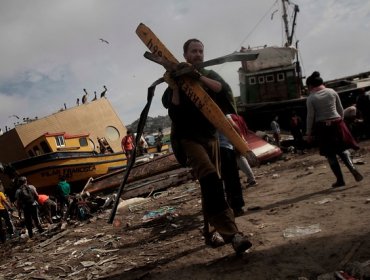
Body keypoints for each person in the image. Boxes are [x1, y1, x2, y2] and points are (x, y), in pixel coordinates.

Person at [162, 38, 252, 254]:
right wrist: (175, 85)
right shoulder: (176, 79)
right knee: (211, 177)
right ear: (185, 55)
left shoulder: (209, 76)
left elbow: (223, 91)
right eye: (194, 51)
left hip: (210, 137)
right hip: (188, 139)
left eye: (201, 51)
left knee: (210, 185)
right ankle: (233, 235)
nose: (198, 55)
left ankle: (210, 232)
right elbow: (173, 110)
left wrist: (198, 77)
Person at [305, 71, 364, 187]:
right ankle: (353, 168)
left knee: (330, 154)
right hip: (337, 123)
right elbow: (340, 109)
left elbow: (310, 117)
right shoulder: (332, 92)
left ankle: (340, 180)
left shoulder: (311, 98)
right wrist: (340, 121)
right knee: (342, 149)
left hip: (323, 127)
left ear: (311, 85)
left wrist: (308, 133)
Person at [230, 114, 257, 186]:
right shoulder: (236, 117)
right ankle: (250, 177)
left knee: (240, 159)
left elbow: (236, 128)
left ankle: (251, 178)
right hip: (239, 140)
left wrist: (237, 142)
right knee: (241, 159)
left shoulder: (227, 117)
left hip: (236, 142)